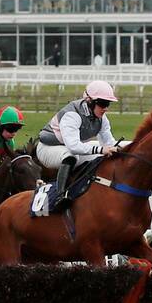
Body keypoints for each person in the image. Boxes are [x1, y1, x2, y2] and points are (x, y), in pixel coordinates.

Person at [37, 81, 120, 209]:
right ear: (89, 101)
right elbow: (74, 147)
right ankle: (60, 196)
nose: (106, 108)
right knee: (72, 156)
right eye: (102, 103)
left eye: (108, 104)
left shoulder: (102, 119)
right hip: (47, 148)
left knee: (99, 159)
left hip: (67, 147)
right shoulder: (72, 115)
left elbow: (109, 143)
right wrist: (101, 149)